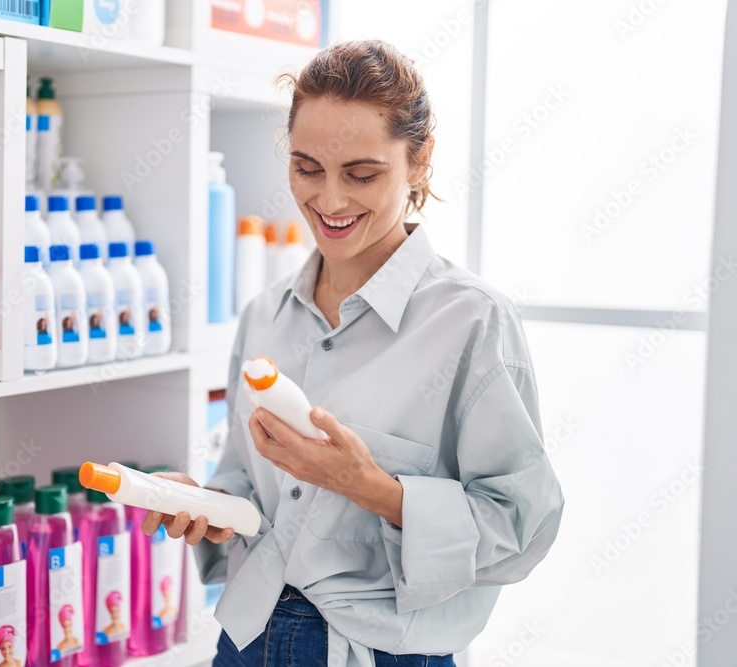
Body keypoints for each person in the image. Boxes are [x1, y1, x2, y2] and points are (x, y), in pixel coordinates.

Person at [141, 40, 564, 667]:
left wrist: (375, 490)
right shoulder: (266, 315)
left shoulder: (472, 321)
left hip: (378, 652)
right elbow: (249, 486)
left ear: (418, 161)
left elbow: (521, 528)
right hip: (245, 640)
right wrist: (205, 506)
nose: (330, 201)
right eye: (308, 168)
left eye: (362, 175)